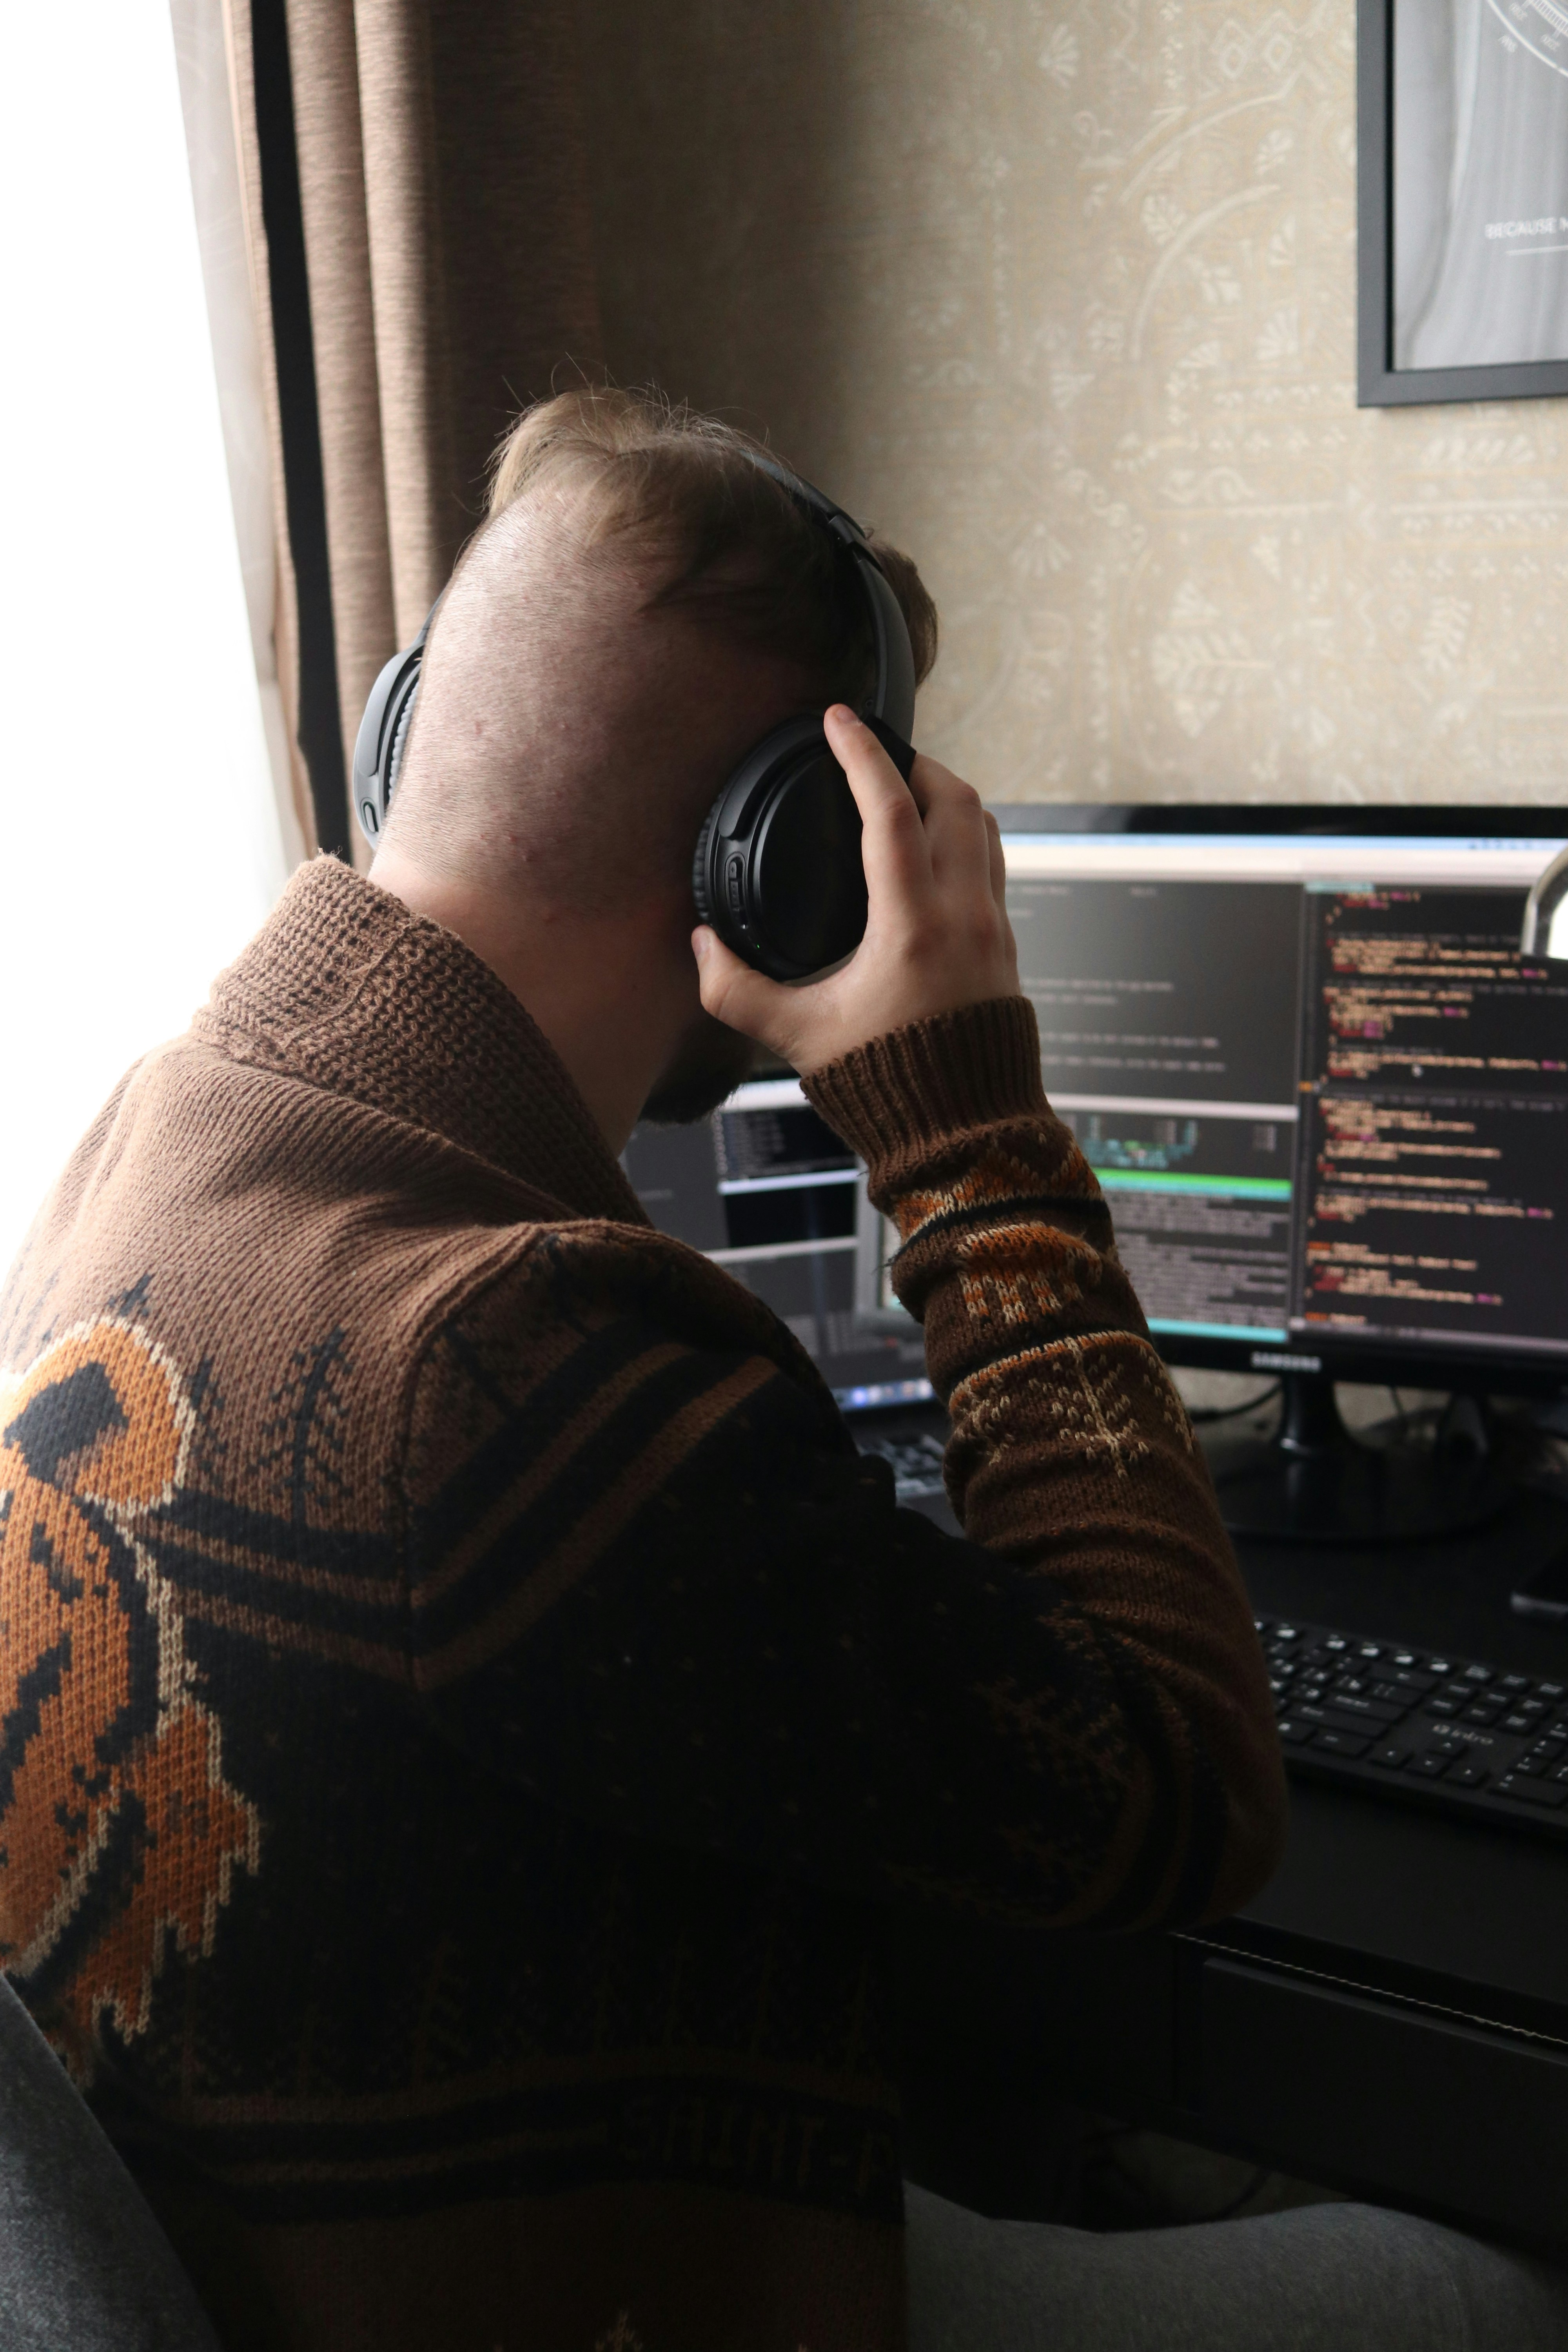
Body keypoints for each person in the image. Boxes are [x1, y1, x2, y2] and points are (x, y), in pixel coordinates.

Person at [0, 387, 1560, 2352]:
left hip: (325, 2235)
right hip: (545, 2293)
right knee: (1484, 2288)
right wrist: (965, 1131)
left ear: (417, 724)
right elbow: (1175, 1794)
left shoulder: (166, 1129)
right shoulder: (507, 1360)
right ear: (786, 862)